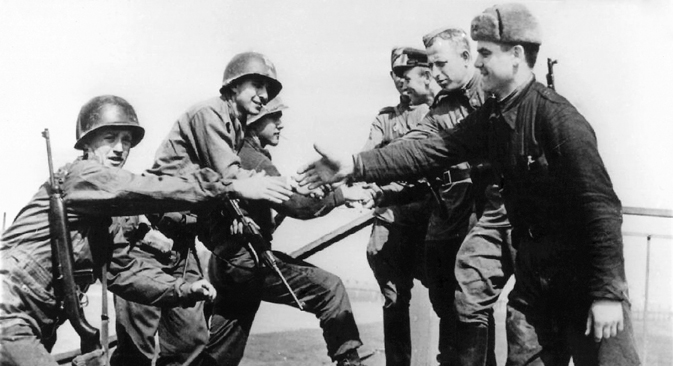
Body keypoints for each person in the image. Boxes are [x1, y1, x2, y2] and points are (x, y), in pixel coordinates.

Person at [297, 3, 640, 365]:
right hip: (534, 282)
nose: (477, 63)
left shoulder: (558, 118)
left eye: (486, 53)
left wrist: (606, 294)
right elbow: (429, 151)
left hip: (584, 282)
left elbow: (600, 207)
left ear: (517, 56)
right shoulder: (492, 118)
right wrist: (354, 165)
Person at [0, 95, 285, 366]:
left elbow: (125, 272)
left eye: (126, 141)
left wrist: (182, 289)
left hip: (35, 321)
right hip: (8, 309)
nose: (120, 148)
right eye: (109, 138)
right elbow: (146, 189)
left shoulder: (106, 220)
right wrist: (226, 186)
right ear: (87, 144)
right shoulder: (82, 177)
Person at [205, 97, 368, 366]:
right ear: (255, 123)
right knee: (331, 289)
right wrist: (341, 195)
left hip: (225, 266)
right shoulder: (253, 158)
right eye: (275, 117)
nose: (281, 124)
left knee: (220, 354)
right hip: (248, 264)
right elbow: (299, 207)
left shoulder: (235, 155)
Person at [359, 47, 434, 366]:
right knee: (393, 300)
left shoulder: (438, 112)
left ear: (426, 74)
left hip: (433, 219)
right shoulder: (386, 118)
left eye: (407, 76)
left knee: (452, 297)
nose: (401, 84)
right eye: (396, 77)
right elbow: (366, 158)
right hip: (393, 220)